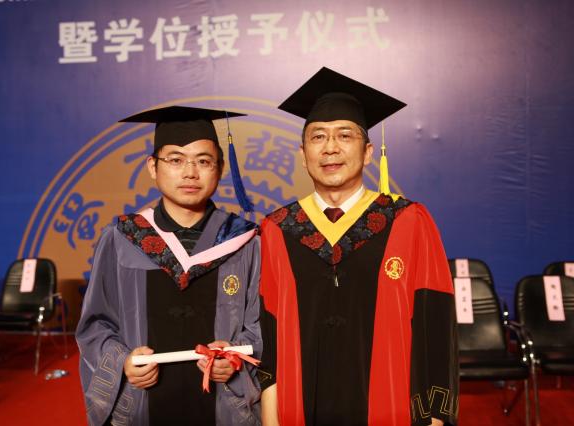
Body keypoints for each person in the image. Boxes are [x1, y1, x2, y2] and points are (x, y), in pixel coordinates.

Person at [258, 67, 458, 426]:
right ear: (303, 154)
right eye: (318, 137)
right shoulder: (278, 229)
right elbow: (268, 336)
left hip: (390, 409)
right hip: (300, 411)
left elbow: (436, 324)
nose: (330, 148)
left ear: (367, 153)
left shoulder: (408, 221)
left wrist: (434, 416)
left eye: (344, 135)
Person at [76, 106, 262, 425]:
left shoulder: (245, 241)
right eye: (175, 160)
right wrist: (122, 362)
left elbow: (262, 326)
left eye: (203, 161)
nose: (190, 173)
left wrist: (235, 358)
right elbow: (95, 325)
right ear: (153, 166)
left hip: (222, 408)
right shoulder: (122, 238)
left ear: (219, 168)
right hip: (144, 407)